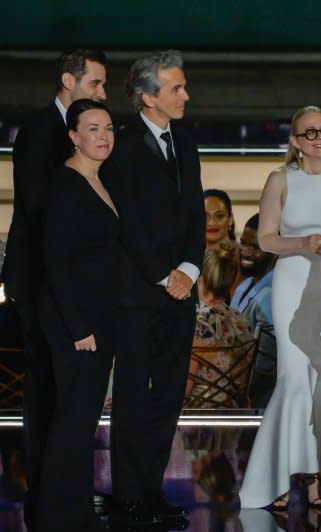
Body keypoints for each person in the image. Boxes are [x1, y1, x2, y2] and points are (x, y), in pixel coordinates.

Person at [1, 48, 107, 530]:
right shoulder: (40, 132)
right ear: (70, 80)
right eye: (97, 84)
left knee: (65, 399)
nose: (103, 94)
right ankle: (48, 499)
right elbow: (43, 216)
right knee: (48, 394)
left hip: (68, 289)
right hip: (41, 285)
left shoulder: (88, 134)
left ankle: (59, 495)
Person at [102, 50, 205, 527]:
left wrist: (189, 267)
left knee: (167, 398)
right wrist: (167, 275)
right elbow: (127, 224)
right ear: (148, 97)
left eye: (183, 86)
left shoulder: (185, 140)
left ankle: (152, 490)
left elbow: (197, 214)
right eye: (176, 88)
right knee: (132, 398)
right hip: (139, 295)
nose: (185, 95)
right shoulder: (121, 148)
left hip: (180, 294)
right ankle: (127, 495)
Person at [239, 106, 321, 511]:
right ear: (295, 141)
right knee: (294, 378)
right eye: (310, 133)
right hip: (292, 281)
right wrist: (303, 243)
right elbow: (267, 240)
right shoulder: (280, 180)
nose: (320, 138)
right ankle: (281, 478)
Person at [36, 99, 117, 532]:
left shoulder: (99, 180)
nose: (103, 135)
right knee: (72, 420)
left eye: (108, 127)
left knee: (82, 420)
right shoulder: (66, 184)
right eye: (92, 128)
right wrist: (79, 326)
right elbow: (56, 260)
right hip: (76, 323)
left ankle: (74, 512)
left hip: (96, 320)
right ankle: (58, 517)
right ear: (73, 136)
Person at [189, 241, 255, 407]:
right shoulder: (242, 321)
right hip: (235, 423)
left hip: (193, 423)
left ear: (199, 278)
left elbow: (179, 394)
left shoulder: (196, 324)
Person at [231, 213, 278, 407]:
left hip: (260, 400)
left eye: (255, 248)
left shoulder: (273, 293)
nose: (246, 252)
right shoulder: (245, 285)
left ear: (275, 251)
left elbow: (270, 358)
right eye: (244, 243)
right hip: (237, 390)